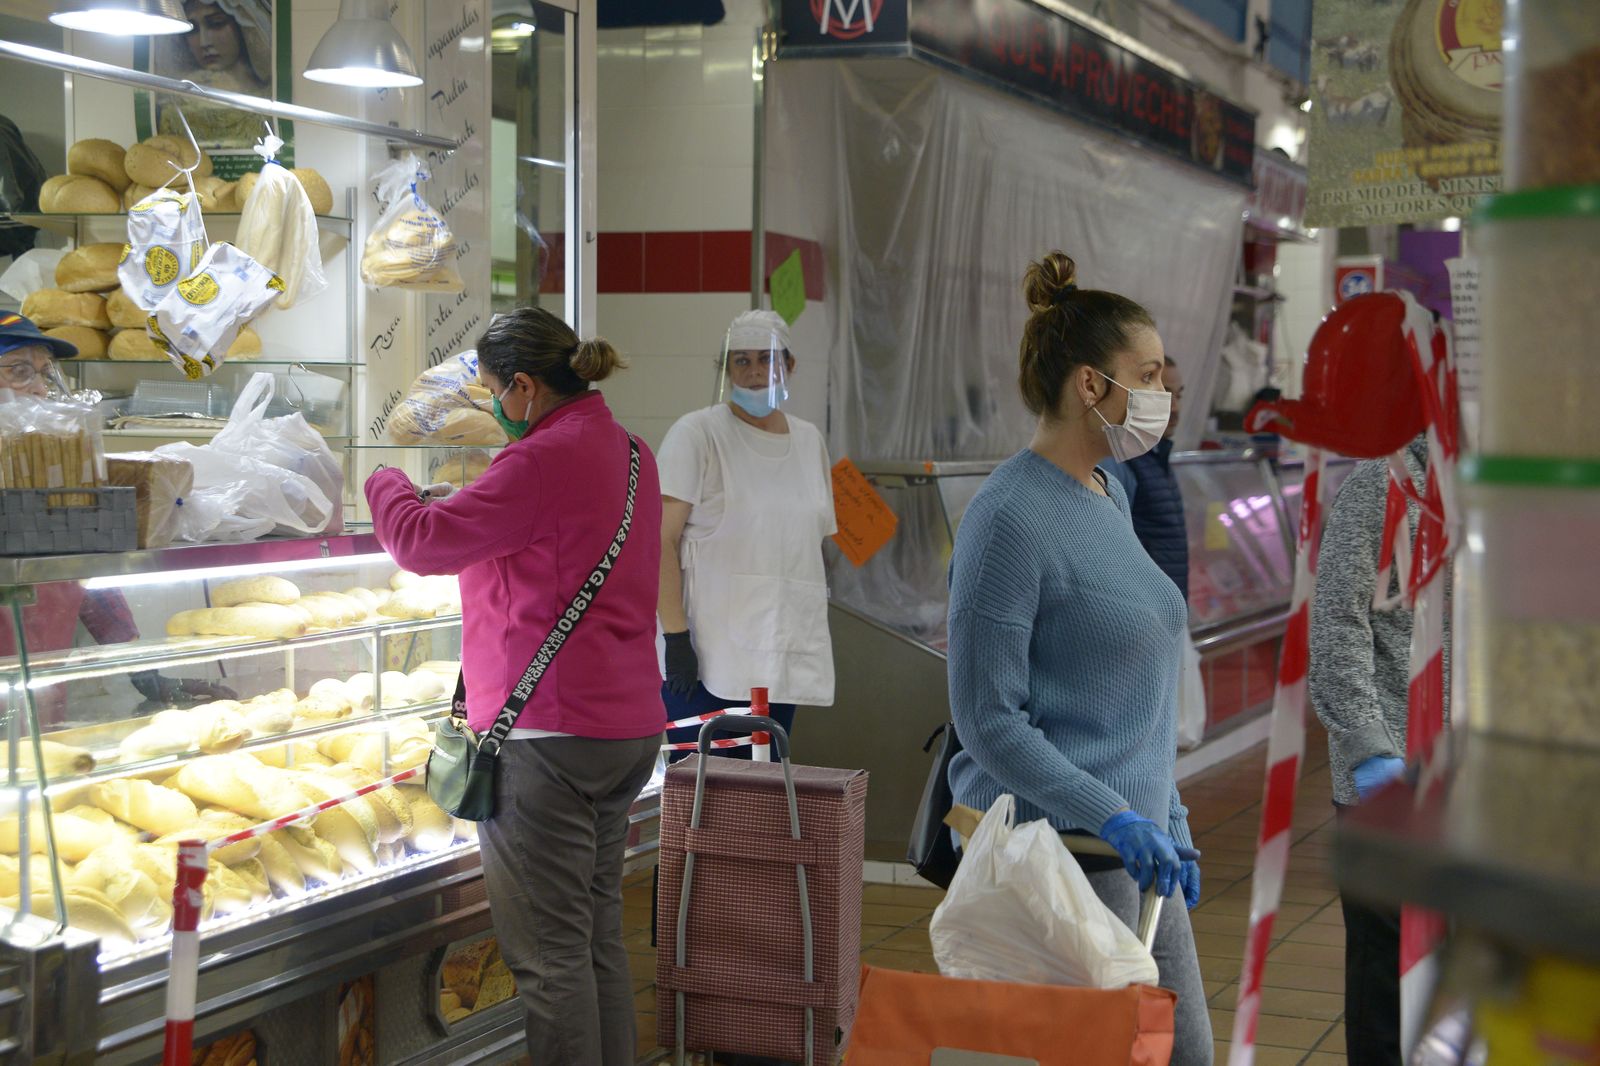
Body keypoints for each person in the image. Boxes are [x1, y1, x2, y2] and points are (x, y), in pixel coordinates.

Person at [364, 308, 666, 1065]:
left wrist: (382, 476)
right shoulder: (633, 453)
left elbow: (421, 543)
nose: (494, 408)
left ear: (526, 388)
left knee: (548, 959)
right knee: (595, 937)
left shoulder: (538, 461)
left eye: (495, 391)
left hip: (549, 742)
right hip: (625, 728)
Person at [946, 253, 1211, 1066]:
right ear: (1091, 386)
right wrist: (1113, 812)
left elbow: (1127, 684)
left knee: (1184, 1054)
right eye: (1148, 375)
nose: (1163, 394)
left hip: (1134, 848)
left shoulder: (1109, 489)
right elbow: (987, 719)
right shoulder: (1008, 520)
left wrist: (1167, 812)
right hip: (1060, 852)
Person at [0, 314, 233, 726]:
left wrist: (147, 676)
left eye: (44, 372)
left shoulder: (55, 472)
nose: (39, 387)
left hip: (38, 707)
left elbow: (84, 575)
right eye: (19, 372)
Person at [1309, 434, 1439, 1066]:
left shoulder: (1495, 490)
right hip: (1389, 778)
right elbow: (1336, 623)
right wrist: (1370, 753)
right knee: (1385, 977)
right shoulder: (1380, 484)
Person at [656, 309, 836, 755]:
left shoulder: (809, 440)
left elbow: (813, 542)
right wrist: (677, 638)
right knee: (706, 804)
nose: (755, 372)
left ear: (789, 366)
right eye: (741, 361)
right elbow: (659, 541)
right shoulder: (698, 434)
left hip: (784, 659)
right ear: (725, 369)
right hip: (709, 661)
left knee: (762, 802)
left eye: (767, 359)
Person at [1104, 355, 1189, 599]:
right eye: (1166, 396)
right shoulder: (1119, 462)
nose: (1175, 409)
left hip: (1168, 614)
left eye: (1179, 396)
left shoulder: (1157, 456)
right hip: (1144, 617)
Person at [154, 1, 273, 152]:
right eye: (192, 30)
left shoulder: (270, 102)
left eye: (217, 23)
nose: (204, 42)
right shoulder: (171, 108)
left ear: (242, 26)